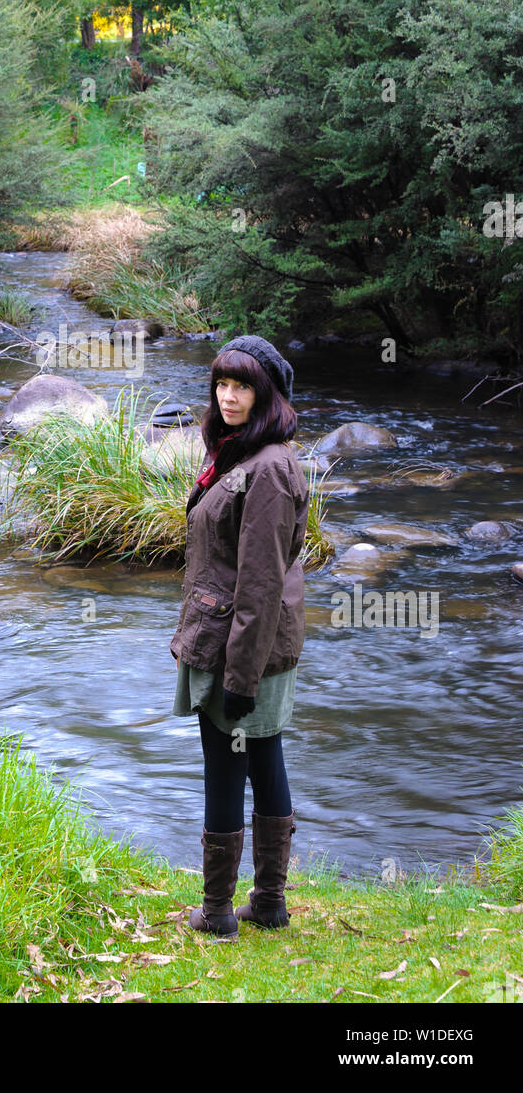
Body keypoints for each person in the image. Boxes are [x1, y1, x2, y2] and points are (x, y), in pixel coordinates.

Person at [170, 334, 309, 940]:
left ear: (267, 393)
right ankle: (265, 905)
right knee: (256, 757)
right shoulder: (236, 455)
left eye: (242, 385)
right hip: (226, 636)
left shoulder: (271, 469)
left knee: (234, 764)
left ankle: (223, 911)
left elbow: (260, 585)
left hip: (241, 646)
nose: (229, 396)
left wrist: (241, 679)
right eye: (222, 385)